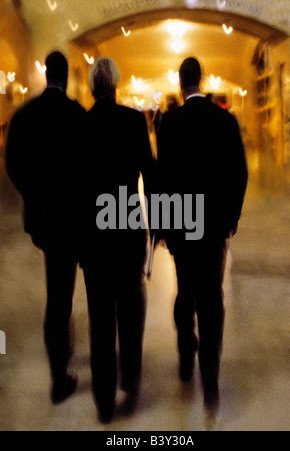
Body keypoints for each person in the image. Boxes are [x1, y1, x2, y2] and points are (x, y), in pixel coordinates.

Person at [157, 57, 248, 417]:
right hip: (212, 230)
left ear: (181, 85)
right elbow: (238, 173)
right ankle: (210, 377)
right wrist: (231, 218)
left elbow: (160, 178)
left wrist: (163, 226)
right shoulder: (224, 121)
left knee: (185, 290)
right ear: (202, 81)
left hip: (181, 225)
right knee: (212, 298)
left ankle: (184, 354)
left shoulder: (169, 123)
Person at [5, 51, 86, 405]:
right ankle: (64, 370)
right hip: (74, 219)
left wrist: (33, 193)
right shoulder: (78, 116)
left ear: (45, 76)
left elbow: (12, 163)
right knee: (67, 295)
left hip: (45, 219)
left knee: (57, 293)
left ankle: (60, 365)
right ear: (65, 78)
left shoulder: (25, 116)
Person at [77, 57, 154, 423]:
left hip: (93, 237)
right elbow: (151, 179)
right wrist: (158, 227)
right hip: (126, 230)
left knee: (100, 316)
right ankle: (131, 376)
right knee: (130, 307)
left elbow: (72, 190)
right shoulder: (134, 121)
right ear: (117, 85)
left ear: (93, 88)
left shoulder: (81, 126)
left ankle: (104, 400)